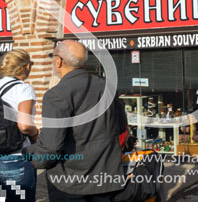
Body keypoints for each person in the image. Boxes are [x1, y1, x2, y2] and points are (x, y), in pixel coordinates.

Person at [29, 40, 127, 202]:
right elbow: (121, 126)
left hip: (70, 183)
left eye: (53, 56)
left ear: (59, 61)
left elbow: (51, 146)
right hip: (106, 179)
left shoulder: (57, 94)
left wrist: (32, 158)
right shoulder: (106, 87)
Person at [0, 50, 39, 202]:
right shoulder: (23, 89)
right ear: (27, 66)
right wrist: (35, 134)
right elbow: (24, 125)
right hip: (14, 158)